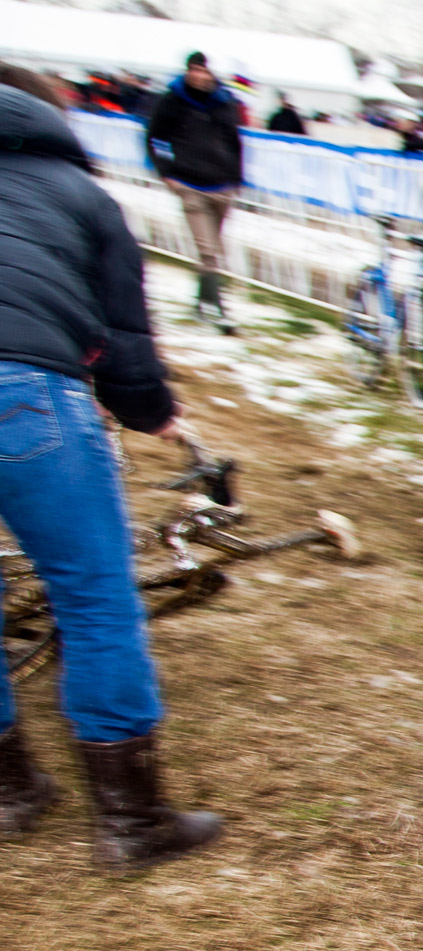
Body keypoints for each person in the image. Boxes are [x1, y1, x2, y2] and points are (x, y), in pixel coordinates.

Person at [0, 83, 224, 869]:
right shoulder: (81, 195)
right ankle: (133, 825)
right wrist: (149, 410)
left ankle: (10, 793)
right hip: (27, 394)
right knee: (95, 599)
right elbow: (124, 336)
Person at [145, 52, 242, 331]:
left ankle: (202, 304)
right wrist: (166, 173)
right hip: (189, 185)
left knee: (213, 251)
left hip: (222, 186)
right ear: (188, 72)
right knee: (208, 250)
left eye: (203, 71)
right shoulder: (172, 100)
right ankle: (219, 312)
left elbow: (234, 140)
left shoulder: (224, 101)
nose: (199, 76)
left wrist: (236, 177)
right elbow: (153, 137)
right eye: (194, 70)